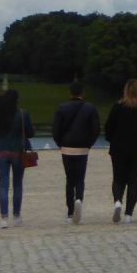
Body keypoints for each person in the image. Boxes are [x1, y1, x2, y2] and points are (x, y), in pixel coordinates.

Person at [104, 78, 137, 223]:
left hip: (118, 148)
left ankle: (117, 201)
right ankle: (128, 214)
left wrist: (112, 140)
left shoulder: (117, 107)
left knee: (118, 178)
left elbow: (108, 128)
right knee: (134, 181)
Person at [51, 80, 101, 225]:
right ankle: (79, 198)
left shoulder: (62, 108)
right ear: (82, 93)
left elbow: (56, 130)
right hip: (82, 147)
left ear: (70, 92)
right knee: (80, 178)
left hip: (66, 147)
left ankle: (69, 211)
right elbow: (96, 129)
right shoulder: (90, 108)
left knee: (69, 179)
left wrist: (60, 144)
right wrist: (89, 144)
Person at [0, 88, 35, 228]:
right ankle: (16, 215)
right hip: (18, 152)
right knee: (17, 184)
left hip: (1, 152)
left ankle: (3, 218)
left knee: (3, 185)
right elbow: (31, 133)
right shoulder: (22, 114)